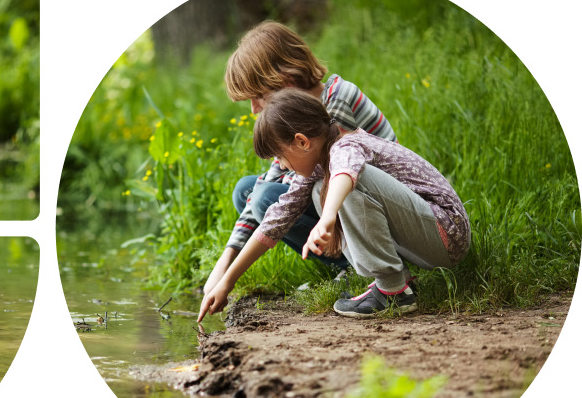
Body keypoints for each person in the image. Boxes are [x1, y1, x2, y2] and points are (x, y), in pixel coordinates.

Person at [198, 88, 470, 321]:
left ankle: (393, 291)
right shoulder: (317, 164)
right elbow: (276, 220)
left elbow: (345, 175)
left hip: (446, 234)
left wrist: (327, 218)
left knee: (345, 184)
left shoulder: (346, 145)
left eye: (280, 156)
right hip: (422, 238)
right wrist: (227, 280)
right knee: (319, 189)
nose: (280, 165)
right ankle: (399, 282)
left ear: (302, 142)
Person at [204, 20, 398, 297]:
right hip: (341, 199)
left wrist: (230, 278)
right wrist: (223, 264)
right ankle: (346, 265)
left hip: (378, 210)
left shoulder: (335, 102)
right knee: (247, 191)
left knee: (266, 198)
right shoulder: (294, 115)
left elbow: (295, 193)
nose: (253, 109)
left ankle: (362, 264)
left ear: (286, 82)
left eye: (258, 96)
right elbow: (270, 179)